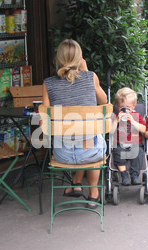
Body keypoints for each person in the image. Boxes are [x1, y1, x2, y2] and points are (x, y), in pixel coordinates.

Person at [42, 39, 108, 208]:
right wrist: (86, 72)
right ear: (80, 59)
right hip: (91, 153)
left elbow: (45, 117)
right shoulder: (90, 77)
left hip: (63, 155)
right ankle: (94, 194)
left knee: (79, 137)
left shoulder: (48, 84)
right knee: (91, 137)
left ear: (58, 59)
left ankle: (76, 183)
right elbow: (105, 101)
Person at [112, 87, 146, 186]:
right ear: (118, 107)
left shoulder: (137, 116)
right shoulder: (116, 116)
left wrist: (133, 121)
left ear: (133, 106)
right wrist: (116, 121)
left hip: (134, 144)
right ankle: (124, 175)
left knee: (138, 153)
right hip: (120, 144)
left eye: (128, 107)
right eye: (122, 107)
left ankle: (134, 175)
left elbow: (144, 129)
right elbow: (110, 131)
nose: (125, 110)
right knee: (117, 152)